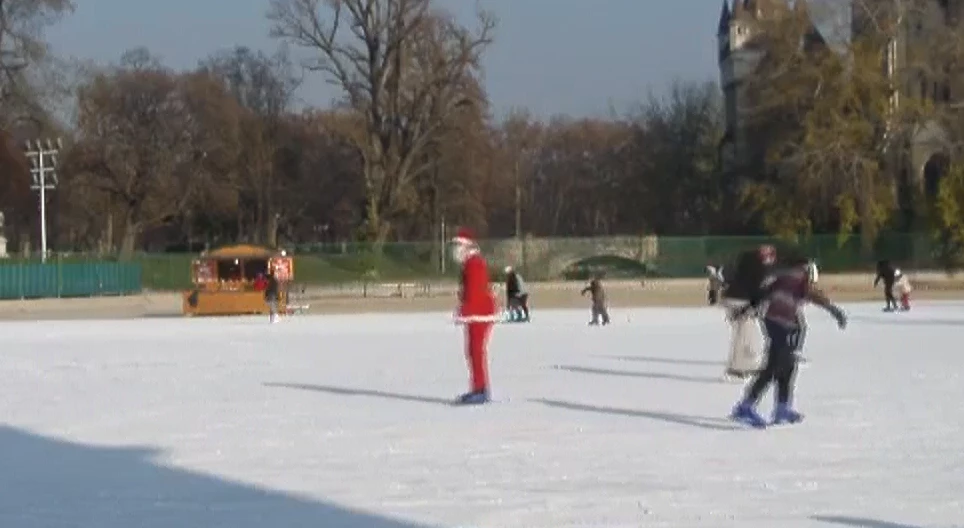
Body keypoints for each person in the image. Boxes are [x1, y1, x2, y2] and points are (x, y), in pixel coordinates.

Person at [729, 256, 847, 428]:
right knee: (775, 365)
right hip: (780, 323)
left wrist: (745, 309)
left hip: (775, 321)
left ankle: (782, 407)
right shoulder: (799, 277)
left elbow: (764, 293)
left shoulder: (782, 275)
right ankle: (745, 406)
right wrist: (833, 309)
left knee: (788, 364)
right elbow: (813, 294)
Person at [450, 227, 497, 405]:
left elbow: (476, 291)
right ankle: (478, 387)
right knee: (473, 351)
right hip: (476, 313)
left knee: (476, 351)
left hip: (480, 314)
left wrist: (466, 310)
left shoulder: (474, 264)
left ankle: (480, 389)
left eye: (457, 246)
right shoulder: (470, 263)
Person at [719, 245, 775, 381]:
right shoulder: (761, 270)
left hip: (733, 299)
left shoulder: (746, 264)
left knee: (748, 334)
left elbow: (727, 277)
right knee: (744, 335)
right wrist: (749, 308)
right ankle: (736, 369)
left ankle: (748, 364)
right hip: (740, 301)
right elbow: (759, 291)